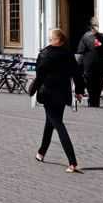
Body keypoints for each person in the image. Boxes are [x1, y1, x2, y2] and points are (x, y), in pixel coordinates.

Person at [28, 28, 84, 172]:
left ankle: (72, 162)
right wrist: (79, 91)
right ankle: (41, 152)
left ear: (55, 40)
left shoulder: (44, 54)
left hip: (48, 94)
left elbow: (39, 76)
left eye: (50, 37)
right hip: (63, 93)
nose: (49, 39)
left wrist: (33, 90)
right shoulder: (68, 54)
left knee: (58, 124)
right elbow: (77, 74)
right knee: (50, 122)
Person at [76, 18, 103, 108]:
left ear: (89, 27)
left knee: (90, 84)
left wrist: (78, 66)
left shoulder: (85, 37)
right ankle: (96, 102)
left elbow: (81, 52)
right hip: (101, 66)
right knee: (98, 84)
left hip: (89, 65)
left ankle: (92, 101)